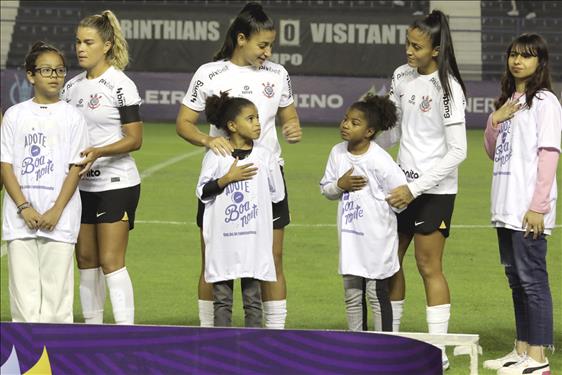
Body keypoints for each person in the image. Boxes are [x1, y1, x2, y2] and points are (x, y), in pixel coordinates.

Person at [177, 2, 301, 328]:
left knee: (271, 259)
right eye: (263, 45)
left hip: (267, 176)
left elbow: (288, 113)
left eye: (271, 45)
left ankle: (274, 339)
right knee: (213, 259)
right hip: (223, 178)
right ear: (242, 38)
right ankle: (209, 337)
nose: (268, 52)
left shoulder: (278, 74)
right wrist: (207, 140)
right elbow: (184, 124)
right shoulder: (210, 73)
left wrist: (292, 126)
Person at [382, 10, 467, 370]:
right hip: (400, 187)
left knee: (428, 266)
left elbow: (458, 151)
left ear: (435, 49)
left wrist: (415, 188)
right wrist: (372, 135)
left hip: (433, 191)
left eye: (416, 46)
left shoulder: (448, 89)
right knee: (388, 263)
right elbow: (394, 132)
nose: (408, 52)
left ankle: (438, 351)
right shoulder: (401, 76)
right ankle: (392, 342)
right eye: (407, 43)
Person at [482, 33, 559, 375]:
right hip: (505, 206)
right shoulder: (510, 100)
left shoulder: (545, 102)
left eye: (526, 56)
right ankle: (522, 350)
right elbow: (492, 152)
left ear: (539, 62)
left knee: (532, 281)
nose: (518, 61)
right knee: (516, 279)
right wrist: (494, 121)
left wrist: (539, 205)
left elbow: (549, 154)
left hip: (528, 208)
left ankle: (539, 360)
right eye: (514, 54)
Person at [61, 10, 143, 325]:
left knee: (110, 260)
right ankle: (92, 331)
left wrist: (99, 151)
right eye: (78, 42)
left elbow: (135, 139)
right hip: (81, 186)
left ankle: (125, 331)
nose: (80, 48)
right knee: (86, 260)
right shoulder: (71, 88)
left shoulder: (121, 85)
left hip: (117, 182)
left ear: (106, 45)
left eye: (88, 42)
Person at [0, 41, 89, 323]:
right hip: (20, 220)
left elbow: (76, 168)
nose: (54, 76)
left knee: (57, 304)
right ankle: (26, 363)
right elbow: (6, 165)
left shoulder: (73, 116)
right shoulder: (15, 115)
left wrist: (55, 211)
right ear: (30, 76)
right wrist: (24, 207)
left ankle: (57, 364)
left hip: (59, 219)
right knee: (24, 304)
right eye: (47, 70)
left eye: (60, 70)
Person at [196, 92, 285, 327]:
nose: (257, 124)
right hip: (224, 241)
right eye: (251, 119)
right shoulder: (217, 156)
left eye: (257, 118)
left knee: (253, 299)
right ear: (232, 125)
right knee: (222, 300)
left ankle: (252, 351)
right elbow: (202, 192)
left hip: (252, 242)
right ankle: (219, 349)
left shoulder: (265, 156)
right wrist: (227, 179)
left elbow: (278, 194)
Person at [320, 94, 406, 332]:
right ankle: (356, 346)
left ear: (369, 132)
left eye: (354, 123)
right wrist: (340, 185)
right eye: (346, 119)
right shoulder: (337, 153)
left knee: (376, 294)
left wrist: (385, 212)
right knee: (351, 295)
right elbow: (326, 190)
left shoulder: (380, 160)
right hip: (349, 241)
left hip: (376, 242)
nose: (346, 125)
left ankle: (385, 348)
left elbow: (401, 197)